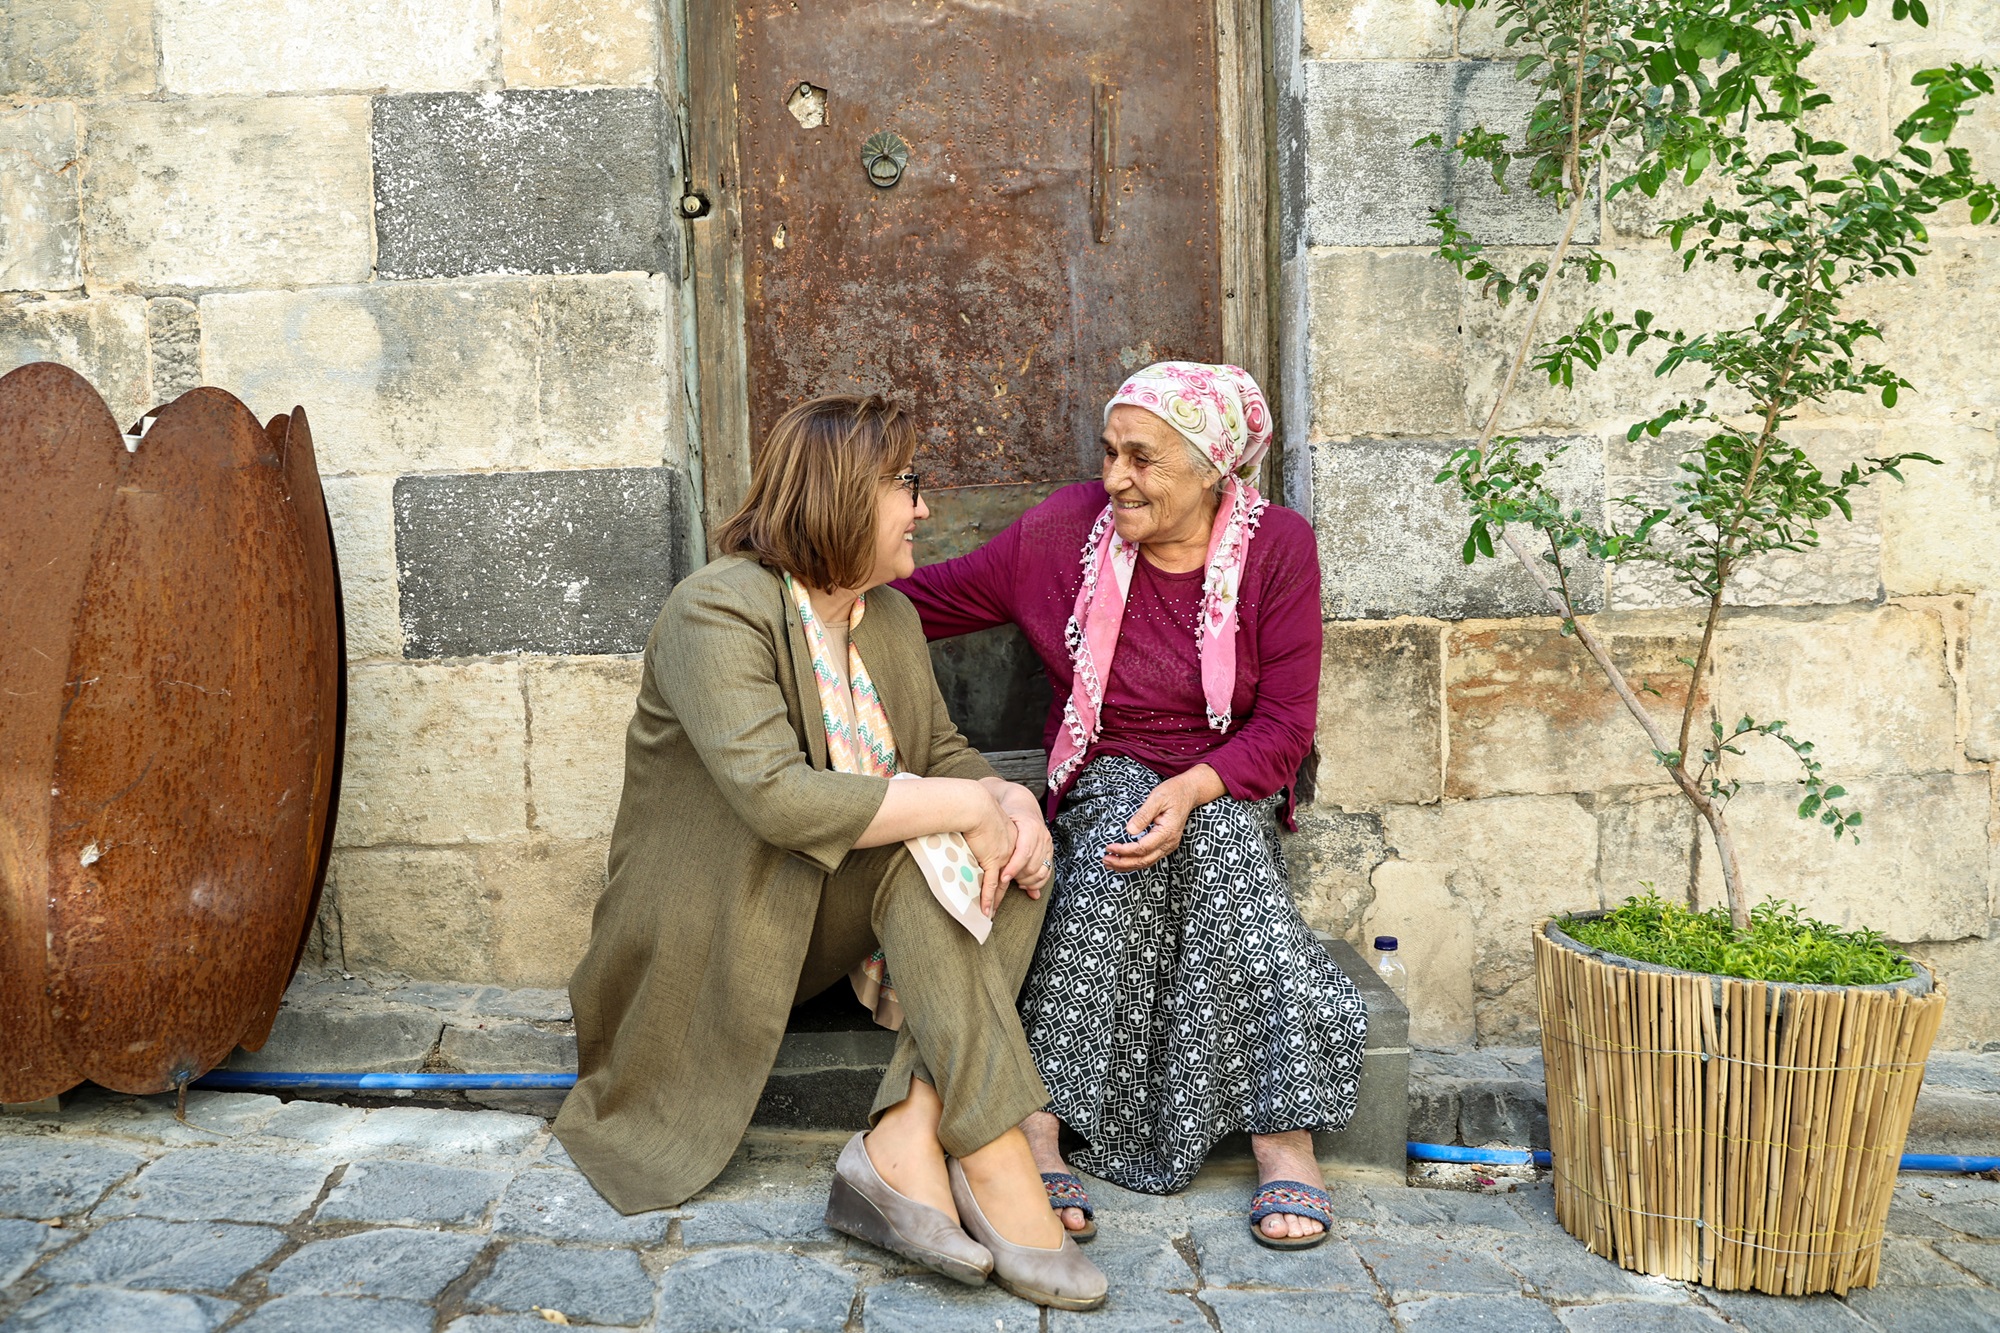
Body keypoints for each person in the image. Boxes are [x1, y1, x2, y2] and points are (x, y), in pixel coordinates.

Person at [553, 395, 1107, 1309]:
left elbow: (940, 758)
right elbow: (778, 795)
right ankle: (1000, 1149)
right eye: (907, 485)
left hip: (819, 914)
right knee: (924, 841)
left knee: (1016, 857)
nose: (925, 507)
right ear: (844, 492)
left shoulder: (882, 616)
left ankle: (909, 1134)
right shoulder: (715, 611)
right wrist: (968, 803)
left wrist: (1009, 802)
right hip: (724, 925)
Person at [896, 363, 1368, 1249]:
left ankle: (1285, 1137)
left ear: (1211, 469)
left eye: (1142, 460)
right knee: (1117, 840)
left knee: (1223, 839)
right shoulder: (1062, 534)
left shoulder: (1279, 548)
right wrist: (794, 596)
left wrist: (1194, 786)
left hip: (1227, 771)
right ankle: (1039, 1125)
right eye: (1111, 453)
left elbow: (1286, 726)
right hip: (1106, 760)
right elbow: (921, 602)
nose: (1115, 478)